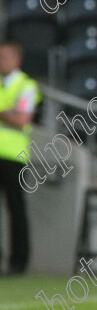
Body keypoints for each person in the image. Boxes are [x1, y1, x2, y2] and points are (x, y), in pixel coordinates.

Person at [0, 41, 40, 275]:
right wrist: (8, 113)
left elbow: (22, 119)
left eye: (5, 57)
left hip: (14, 156)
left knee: (16, 209)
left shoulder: (26, 85)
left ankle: (19, 261)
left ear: (17, 59)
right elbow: (13, 116)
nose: (1, 61)